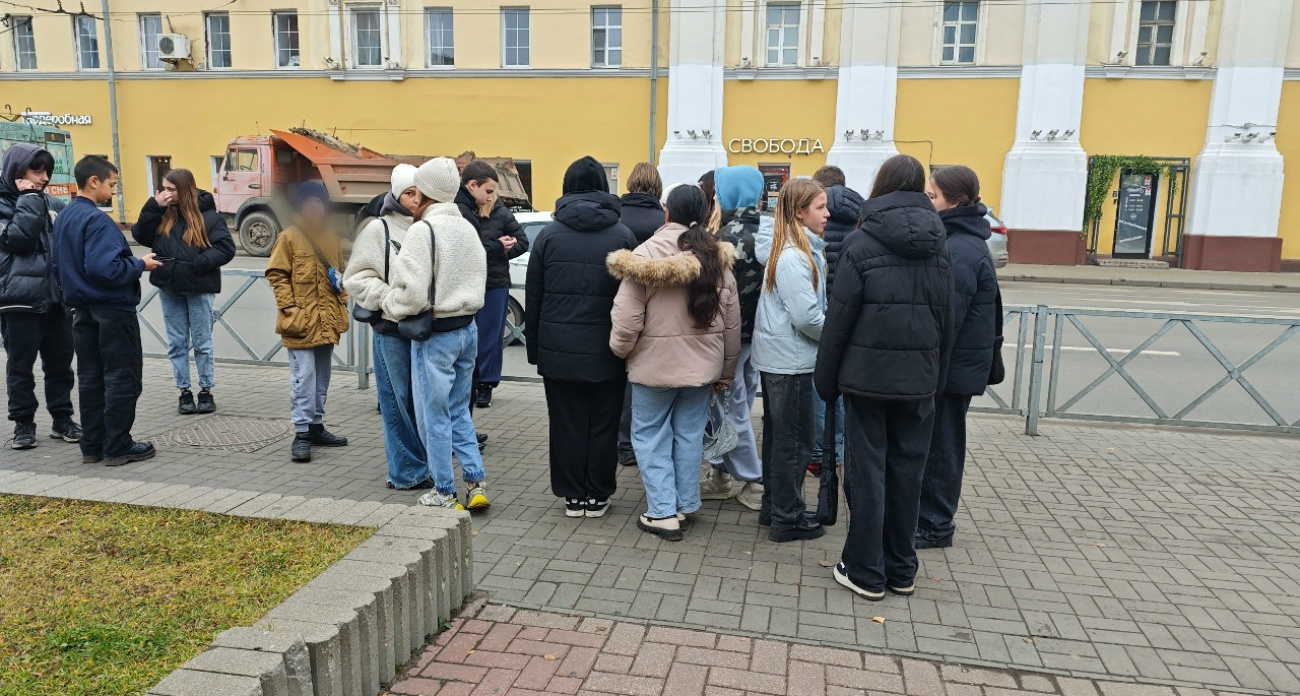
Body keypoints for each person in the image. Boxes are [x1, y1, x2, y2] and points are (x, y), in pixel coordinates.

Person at [814, 154, 953, 600]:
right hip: (920, 380)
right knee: (908, 473)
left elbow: (839, 319)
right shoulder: (940, 242)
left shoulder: (861, 242)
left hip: (867, 378)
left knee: (867, 472)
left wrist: (827, 379)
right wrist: (938, 375)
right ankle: (901, 569)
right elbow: (948, 320)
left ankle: (865, 570)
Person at [609, 184, 740, 541]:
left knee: (649, 435)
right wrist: (725, 373)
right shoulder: (717, 258)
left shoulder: (644, 254)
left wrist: (622, 352)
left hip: (653, 368)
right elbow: (732, 323)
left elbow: (626, 319)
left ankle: (663, 512)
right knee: (688, 435)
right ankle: (685, 503)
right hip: (702, 369)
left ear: (667, 212)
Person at [526, 156, 637, 517]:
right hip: (609, 351)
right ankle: (598, 493)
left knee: (566, 423)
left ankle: (573, 495)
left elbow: (534, 298)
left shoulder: (548, 236)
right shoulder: (622, 236)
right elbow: (632, 299)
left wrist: (535, 352)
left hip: (559, 353)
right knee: (604, 423)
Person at [383, 157, 489, 510]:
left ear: (425, 192)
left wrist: (390, 306)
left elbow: (410, 294)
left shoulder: (422, 231)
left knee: (435, 416)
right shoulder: (467, 228)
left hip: (435, 335)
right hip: (467, 329)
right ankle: (476, 483)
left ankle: (445, 491)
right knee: (460, 411)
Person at [52, 156, 162, 466]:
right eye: (112, 184)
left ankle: (93, 445)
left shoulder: (65, 216)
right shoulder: (97, 219)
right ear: (94, 181)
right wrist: (141, 264)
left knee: (90, 379)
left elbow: (57, 265)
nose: (113, 191)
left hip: (81, 308)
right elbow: (104, 268)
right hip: (111, 309)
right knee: (122, 378)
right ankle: (117, 445)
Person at [916, 165, 999, 549]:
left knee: (942, 447)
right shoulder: (961, 239)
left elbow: (947, 319)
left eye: (933, 196)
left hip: (951, 369)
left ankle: (934, 525)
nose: (927, 201)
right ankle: (930, 518)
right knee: (940, 444)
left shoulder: (959, 249)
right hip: (954, 366)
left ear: (956, 201)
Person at [345, 164, 433, 490]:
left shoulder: (430, 225)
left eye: (420, 193)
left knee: (420, 402)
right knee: (397, 403)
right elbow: (356, 278)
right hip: (391, 329)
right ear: (396, 195)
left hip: (429, 329)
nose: (415, 199)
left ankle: (420, 465)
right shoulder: (378, 229)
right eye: (409, 193)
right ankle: (405, 473)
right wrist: (390, 300)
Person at [753, 179, 830, 543]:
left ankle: (776, 508)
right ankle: (788, 517)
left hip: (783, 358)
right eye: (820, 207)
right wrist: (835, 338)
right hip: (792, 361)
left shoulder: (792, 250)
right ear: (799, 212)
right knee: (794, 442)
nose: (827, 214)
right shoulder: (794, 256)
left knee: (781, 440)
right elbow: (807, 317)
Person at [131, 168, 236, 415]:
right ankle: (184, 392)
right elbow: (139, 234)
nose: (166, 193)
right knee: (176, 343)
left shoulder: (208, 216)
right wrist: (153, 207)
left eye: (171, 189)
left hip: (198, 287)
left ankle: (206, 391)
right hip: (169, 286)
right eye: (163, 188)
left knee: (202, 342)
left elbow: (225, 248)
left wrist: (199, 263)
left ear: (184, 189)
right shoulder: (161, 214)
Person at [0, 143, 79, 450]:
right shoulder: (8, 204)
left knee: (60, 366)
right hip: (18, 300)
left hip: (57, 299)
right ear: (17, 172)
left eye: (47, 171)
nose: (44, 177)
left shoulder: (52, 203)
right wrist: (30, 199)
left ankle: (63, 421)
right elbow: (17, 240)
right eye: (37, 171)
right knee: (20, 367)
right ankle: (23, 425)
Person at [265, 181, 350, 463]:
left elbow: (341, 273)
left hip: (327, 319)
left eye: (319, 202)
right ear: (301, 205)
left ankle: (316, 426)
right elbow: (276, 275)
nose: (315, 207)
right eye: (309, 202)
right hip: (300, 321)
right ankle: (301, 433)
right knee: (304, 377)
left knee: (322, 377)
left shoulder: (331, 237)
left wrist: (344, 299)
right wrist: (289, 309)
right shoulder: (288, 237)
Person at [701, 165, 767, 510]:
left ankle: (753, 481)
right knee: (734, 405)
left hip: (729, 340)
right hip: (759, 338)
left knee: (729, 409)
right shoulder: (770, 230)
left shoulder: (725, 238)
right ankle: (721, 475)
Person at [455, 160, 527, 409]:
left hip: (494, 283)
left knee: (490, 337)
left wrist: (501, 253)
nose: (489, 197)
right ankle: (471, 382)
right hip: (469, 282)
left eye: (491, 193)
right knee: (469, 336)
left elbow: (522, 241)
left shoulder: (501, 213)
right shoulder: (465, 211)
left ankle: (486, 384)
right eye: (487, 192)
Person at [807, 166, 861, 476]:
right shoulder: (862, 211)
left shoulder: (816, 214)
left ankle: (819, 450)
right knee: (843, 383)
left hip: (820, 308)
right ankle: (839, 449)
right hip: (850, 310)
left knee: (820, 384)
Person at [615, 162, 667, 467]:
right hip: (656, 311)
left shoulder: (616, 218)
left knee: (619, 380)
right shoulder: (664, 220)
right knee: (645, 381)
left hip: (618, 308)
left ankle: (620, 442)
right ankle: (641, 442)